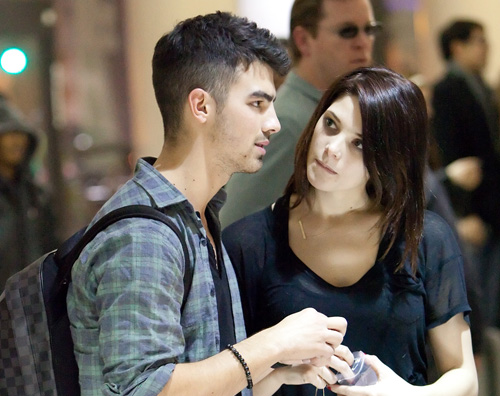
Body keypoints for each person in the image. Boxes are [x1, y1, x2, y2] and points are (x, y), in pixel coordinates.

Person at [67, 12, 353, 396]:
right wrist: (273, 344)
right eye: (257, 104)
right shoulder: (144, 235)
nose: (274, 123)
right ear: (201, 106)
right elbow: (145, 389)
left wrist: (279, 372)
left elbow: (200, 368)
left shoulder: (198, 214)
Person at [223, 67, 478, 396]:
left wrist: (402, 394)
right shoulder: (247, 243)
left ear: (388, 160)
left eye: (360, 144)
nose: (332, 149)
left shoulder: (424, 238)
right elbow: (225, 382)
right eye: (330, 124)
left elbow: (465, 377)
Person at [220, 0, 380, 227]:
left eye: (370, 30)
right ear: (304, 41)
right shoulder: (288, 123)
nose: (363, 42)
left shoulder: (333, 111)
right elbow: (235, 229)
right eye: (348, 32)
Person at [431, 19, 500, 328]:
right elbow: (452, 153)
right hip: (474, 203)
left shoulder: (480, 84)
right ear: (457, 47)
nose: (485, 48)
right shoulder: (448, 89)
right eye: (478, 41)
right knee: (482, 288)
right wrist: (464, 212)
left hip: (491, 199)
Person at [0, 93, 58, 292]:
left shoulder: (37, 196)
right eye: (9, 134)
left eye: (20, 134)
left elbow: (51, 248)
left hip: (33, 306)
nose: (17, 142)